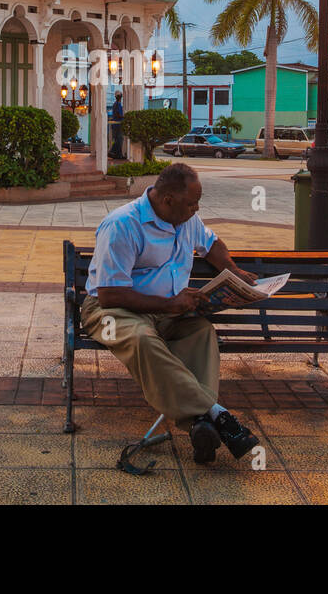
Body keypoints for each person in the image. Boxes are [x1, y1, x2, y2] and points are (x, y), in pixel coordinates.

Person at [82, 163, 261, 462]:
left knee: (202, 333)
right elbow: (109, 293)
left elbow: (212, 243)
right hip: (113, 310)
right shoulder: (123, 225)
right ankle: (218, 415)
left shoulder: (186, 218)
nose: (197, 208)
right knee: (142, 339)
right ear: (168, 200)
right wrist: (169, 304)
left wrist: (232, 270)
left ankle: (201, 425)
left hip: (167, 311)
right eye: (192, 203)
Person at [109, 91, 125, 160]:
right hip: (118, 124)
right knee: (119, 139)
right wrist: (124, 117)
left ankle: (118, 154)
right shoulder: (117, 104)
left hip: (116, 125)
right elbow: (118, 114)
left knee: (118, 140)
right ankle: (112, 152)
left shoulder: (116, 104)